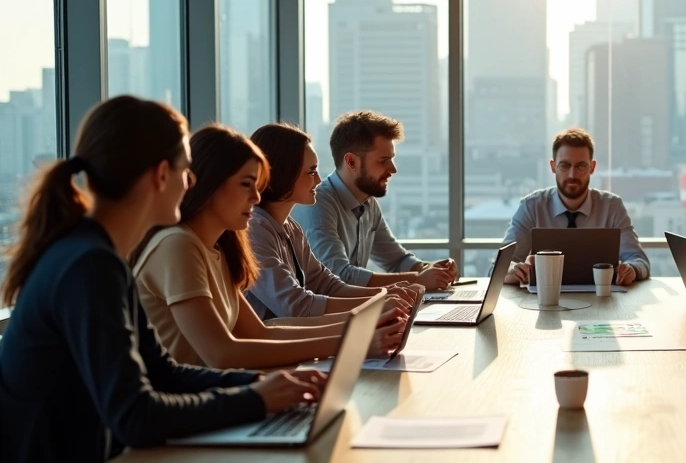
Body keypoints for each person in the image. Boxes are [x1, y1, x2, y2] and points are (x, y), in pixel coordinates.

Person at [0, 96, 324, 463]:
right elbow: (136, 416)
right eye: (186, 170)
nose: (192, 182)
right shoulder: (88, 264)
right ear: (160, 175)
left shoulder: (100, 257)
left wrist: (267, 385)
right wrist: (253, 400)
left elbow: (163, 372)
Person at [131, 125, 410, 370]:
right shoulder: (178, 245)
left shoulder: (217, 249)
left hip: (218, 396)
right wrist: (354, 341)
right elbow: (222, 355)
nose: (256, 197)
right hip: (188, 416)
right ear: (211, 185)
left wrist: (363, 327)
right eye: (246, 185)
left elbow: (262, 333)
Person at [246, 123, 423, 321]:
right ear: (283, 173)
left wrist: (386, 294)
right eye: (311, 171)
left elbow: (328, 285)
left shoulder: (290, 228)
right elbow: (297, 306)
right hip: (271, 349)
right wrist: (378, 302)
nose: (319, 180)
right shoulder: (254, 230)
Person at [294, 111, 457, 292]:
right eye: (383, 161)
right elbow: (339, 275)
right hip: (322, 318)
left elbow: (397, 260)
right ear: (351, 162)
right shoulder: (318, 203)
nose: (393, 169)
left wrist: (429, 269)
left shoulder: (368, 204)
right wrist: (417, 280)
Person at [502, 128, 649, 286]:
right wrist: (512, 271)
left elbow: (639, 260)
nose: (572, 175)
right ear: (553, 167)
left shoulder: (612, 206)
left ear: (592, 167)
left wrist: (632, 269)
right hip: (544, 301)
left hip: (602, 301)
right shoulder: (531, 207)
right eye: (564, 166)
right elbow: (499, 267)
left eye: (581, 166)